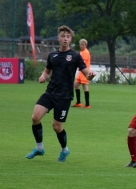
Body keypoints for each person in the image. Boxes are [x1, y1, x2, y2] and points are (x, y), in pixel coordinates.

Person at [25, 25, 96, 162]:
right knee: (35, 117)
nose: (65, 39)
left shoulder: (75, 56)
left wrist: (91, 75)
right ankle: (39, 148)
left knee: (56, 126)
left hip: (64, 96)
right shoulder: (53, 55)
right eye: (63, 36)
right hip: (50, 92)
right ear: (58, 38)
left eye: (68, 36)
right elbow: (47, 71)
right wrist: (43, 77)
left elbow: (86, 73)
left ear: (71, 39)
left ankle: (65, 149)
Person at [72, 39, 91, 108]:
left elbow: (83, 62)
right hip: (80, 72)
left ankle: (87, 104)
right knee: (76, 85)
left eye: (83, 45)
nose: (81, 46)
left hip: (85, 72)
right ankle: (78, 102)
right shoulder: (81, 52)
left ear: (85, 45)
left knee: (85, 87)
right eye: (80, 44)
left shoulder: (85, 52)